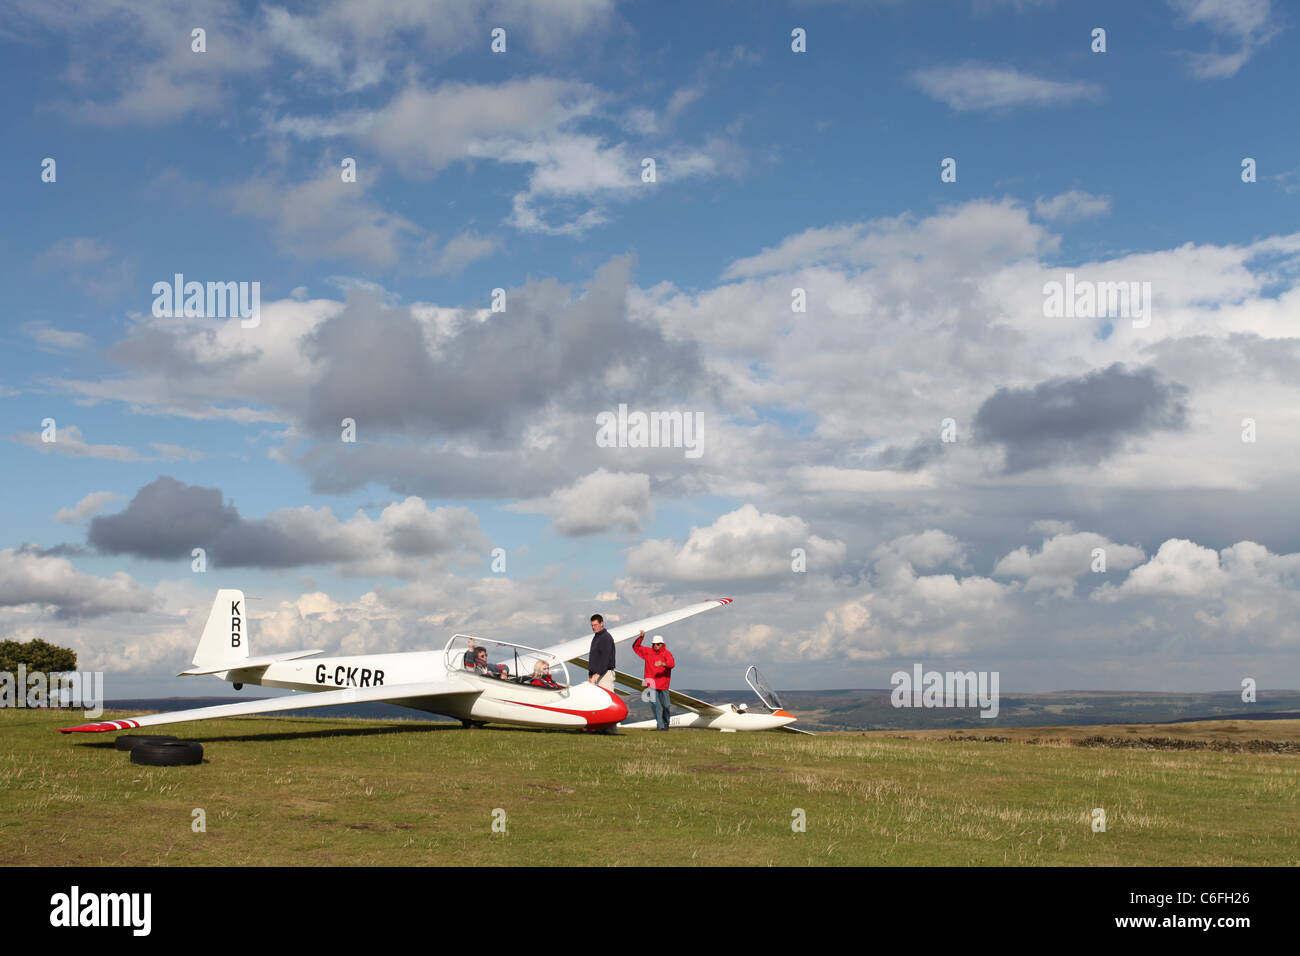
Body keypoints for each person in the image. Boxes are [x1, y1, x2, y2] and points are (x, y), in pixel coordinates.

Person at [586, 614, 641, 735]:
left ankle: (611, 729)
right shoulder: (596, 638)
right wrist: (591, 674)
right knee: (597, 702)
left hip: (604, 674)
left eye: (595, 625)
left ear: (602, 623)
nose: (593, 627)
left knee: (607, 702)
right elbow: (594, 658)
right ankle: (600, 728)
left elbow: (605, 659)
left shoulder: (606, 638)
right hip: (596, 674)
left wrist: (597, 674)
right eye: (592, 625)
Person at [633, 633, 675, 731]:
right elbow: (635, 647)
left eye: (657, 644)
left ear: (662, 644)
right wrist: (641, 637)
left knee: (666, 706)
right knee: (656, 705)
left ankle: (665, 724)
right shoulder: (648, 652)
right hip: (651, 683)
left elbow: (672, 664)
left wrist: (663, 663)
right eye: (654, 644)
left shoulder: (667, 653)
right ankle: (660, 726)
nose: (655, 646)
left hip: (663, 685)